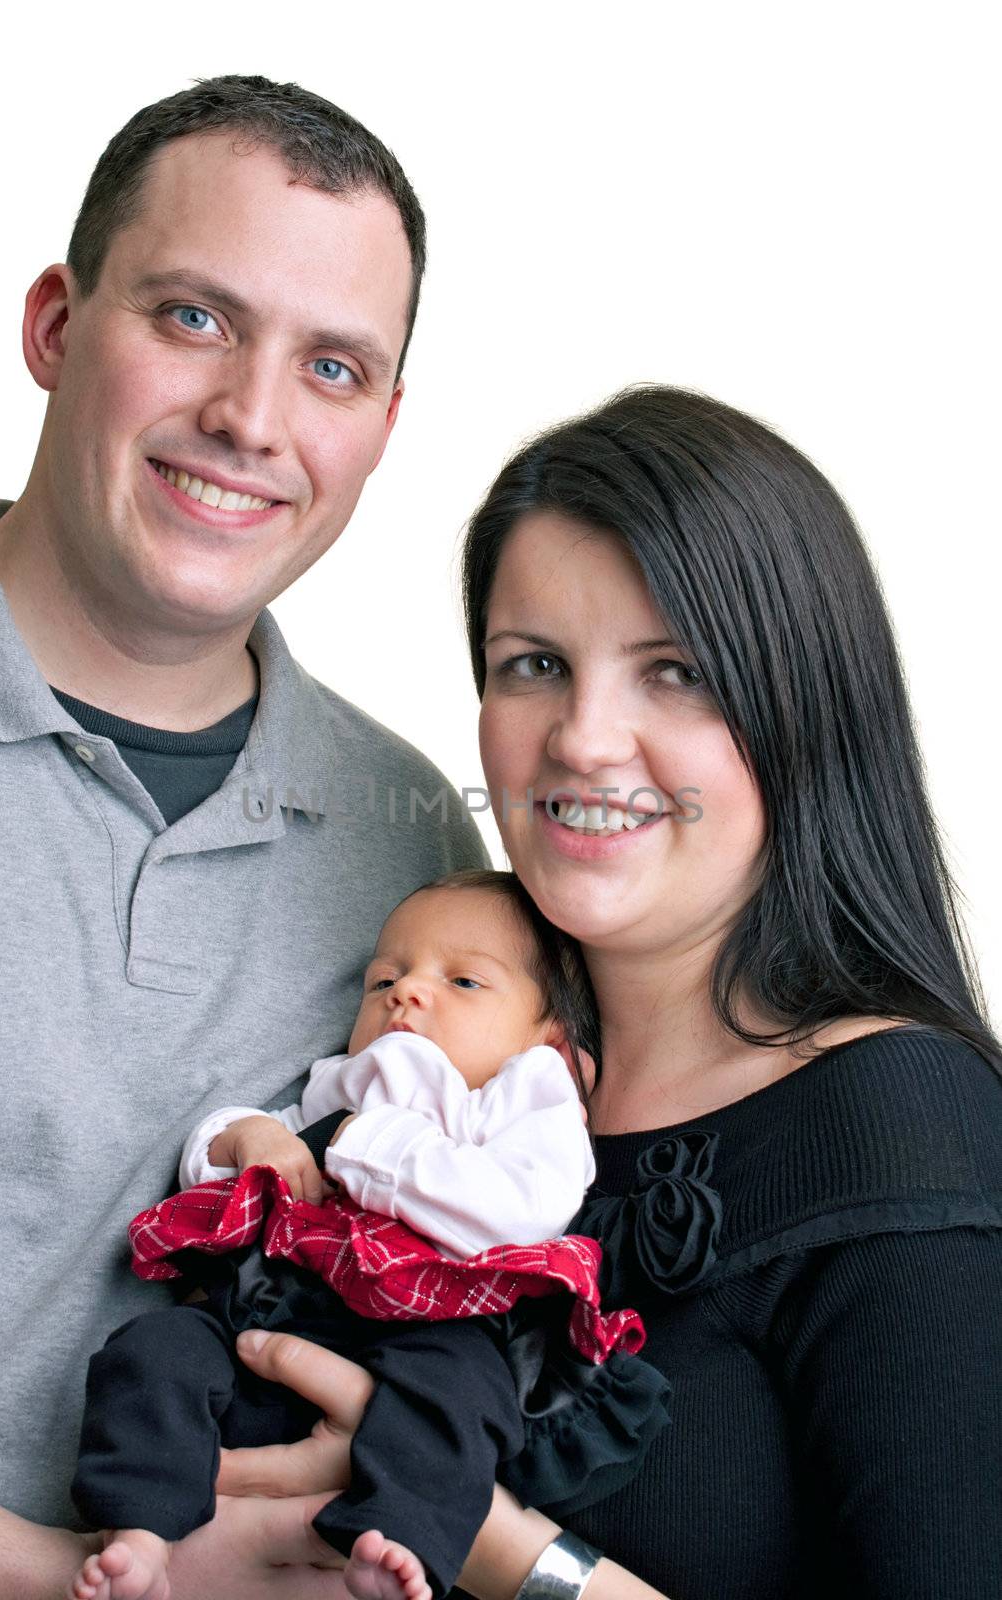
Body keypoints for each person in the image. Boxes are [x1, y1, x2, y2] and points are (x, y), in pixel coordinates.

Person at [220, 385, 1002, 1600]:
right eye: (533, 664)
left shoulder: (894, 1125)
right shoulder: (452, 1053)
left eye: (674, 672)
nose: (583, 738)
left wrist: (503, 1550)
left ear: (802, 708)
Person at [0, 75, 489, 1598]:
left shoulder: (415, 847)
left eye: (328, 364)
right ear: (55, 323)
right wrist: (72, 1580)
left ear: (382, 424)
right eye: (192, 318)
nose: (251, 418)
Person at [67, 870, 667, 1600]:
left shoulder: (521, 1101)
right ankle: (138, 1526)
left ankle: (397, 1539)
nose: (405, 992)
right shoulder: (342, 1084)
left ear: (551, 1041)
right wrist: (244, 1135)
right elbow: (210, 1173)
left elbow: (519, 1210)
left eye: (464, 983)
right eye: (384, 977)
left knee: (458, 1406)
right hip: (280, 1309)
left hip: (439, 1321)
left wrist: (371, 1140)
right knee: (154, 1350)